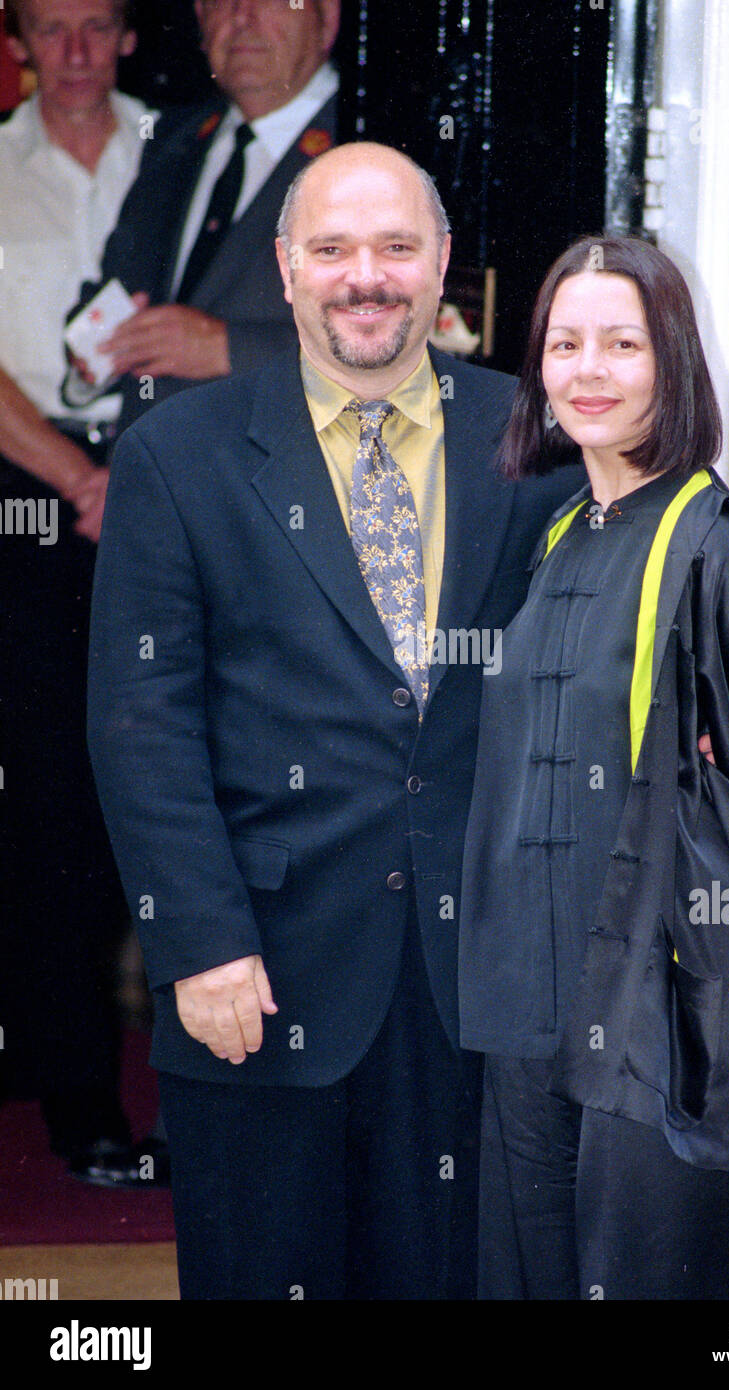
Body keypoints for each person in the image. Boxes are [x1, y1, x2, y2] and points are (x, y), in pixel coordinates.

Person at [86, 141, 583, 1299]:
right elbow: (139, 721)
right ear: (286, 268)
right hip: (255, 971)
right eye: (335, 250)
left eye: (398, 248)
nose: (368, 276)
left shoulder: (535, 439)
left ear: (443, 264)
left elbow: (640, 606)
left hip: (472, 981)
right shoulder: (179, 455)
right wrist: (197, 938)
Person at [457, 236, 729, 1300]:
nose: (589, 370)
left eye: (622, 343)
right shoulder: (562, 535)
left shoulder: (714, 548)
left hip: (653, 1003)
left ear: (671, 360)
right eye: (565, 343)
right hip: (527, 996)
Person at [0, 0, 156, 1185]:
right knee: (50, 799)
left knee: (160, 785)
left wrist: (132, 486)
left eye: (95, 24)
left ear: (128, 37)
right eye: (51, 27)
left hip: (169, 489)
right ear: (19, 39)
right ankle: (78, 1094)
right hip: (28, 499)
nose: (75, 50)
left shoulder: (186, 154)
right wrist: (78, 483)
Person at [64, 0, 342, 431]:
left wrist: (229, 349)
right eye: (222, 1)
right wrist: (95, 346)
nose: (241, 16)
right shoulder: (174, 140)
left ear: (327, 17)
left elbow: (423, 344)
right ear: (198, 17)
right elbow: (118, 291)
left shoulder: (375, 147)